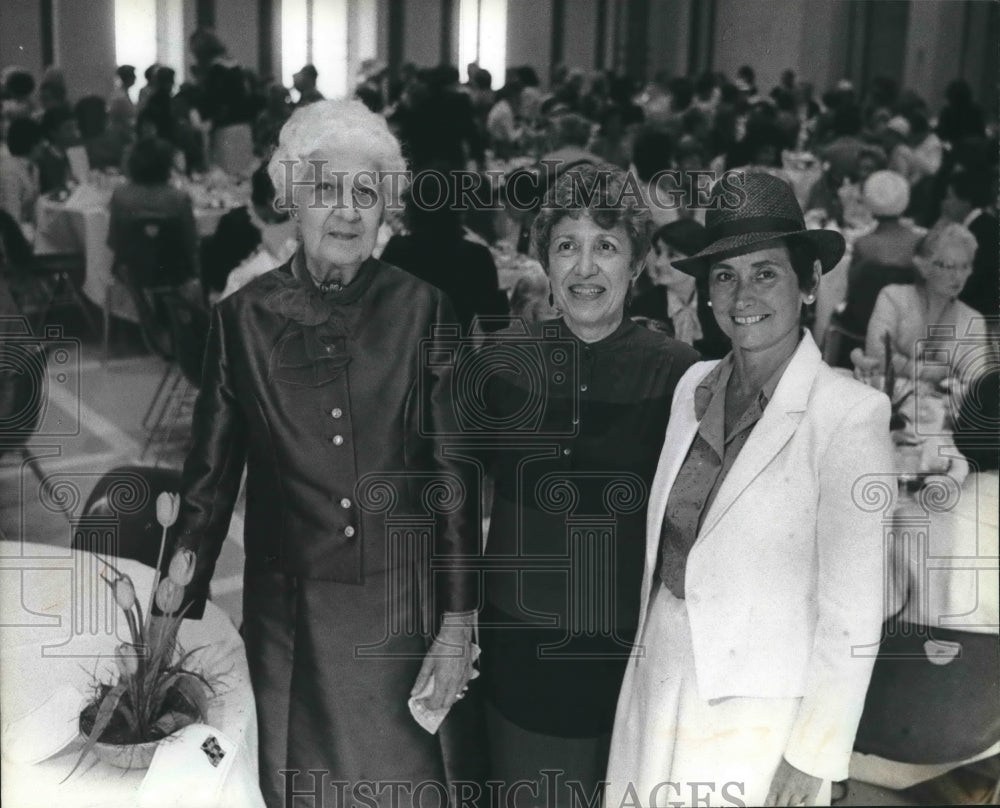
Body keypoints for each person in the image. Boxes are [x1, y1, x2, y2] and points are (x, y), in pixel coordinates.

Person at [162, 99, 478, 808]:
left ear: (387, 210)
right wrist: (165, 621)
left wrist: (458, 623)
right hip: (291, 625)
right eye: (325, 190)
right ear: (292, 201)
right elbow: (207, 486)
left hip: (402, 620)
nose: (345, 211)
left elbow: (455, 479)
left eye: (366, 193)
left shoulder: (425, 310)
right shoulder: (240, 321)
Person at [606, 172, 894, 807]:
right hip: (660, 679)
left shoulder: (850, 416)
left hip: (758, 721)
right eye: (725, 276)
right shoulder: (694, 388)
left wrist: (813, 754)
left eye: (766, 273)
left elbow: (854, 611)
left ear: (810, 283)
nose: (742, 296)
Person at [477, 163, 699, 806]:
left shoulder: (678, 376)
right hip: (515, 638)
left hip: (622, 646)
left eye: (606, 247)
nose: (584, 268)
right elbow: (452, 500)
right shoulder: (499, 359)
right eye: (566, 246)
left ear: (637, 265)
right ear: (544, 260)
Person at [379, 169, 508, 333]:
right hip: (456, 354)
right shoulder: (476, 256)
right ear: (459, 210)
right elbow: (496, 326)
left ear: (412, 209)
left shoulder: (397, 251)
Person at [860, 221, 981, 385]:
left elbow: (977, 380)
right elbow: (876, 356)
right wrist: (929, 371)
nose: (958, 276)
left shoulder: (973, 320)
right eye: (949, 266)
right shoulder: (893, 298)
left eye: (965, 266)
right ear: (923, 266)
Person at [630, 219, 729, 358]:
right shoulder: (641, 307)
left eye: (672, 255)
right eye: (659, 252)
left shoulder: (719, 305)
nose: (659, 262)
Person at [108, 137, 198, 284]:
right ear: (167, 165)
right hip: (174, 274)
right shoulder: (179, 198)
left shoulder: (119, 196)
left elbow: (113, 241)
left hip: (131, 275)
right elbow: (191, 243)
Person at [939, 169, 998, 318]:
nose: (944, 204)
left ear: (965, 202)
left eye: (949, 197)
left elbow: (971, 285)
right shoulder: (985, 225)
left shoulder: (977, 234)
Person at [0, 118, 42, 237]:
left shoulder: (34, 167)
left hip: (25, 228)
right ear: (33, 144)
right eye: (41, 141)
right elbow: (11, 214)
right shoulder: (9, 172)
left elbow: (34, 208)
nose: (44, 145)